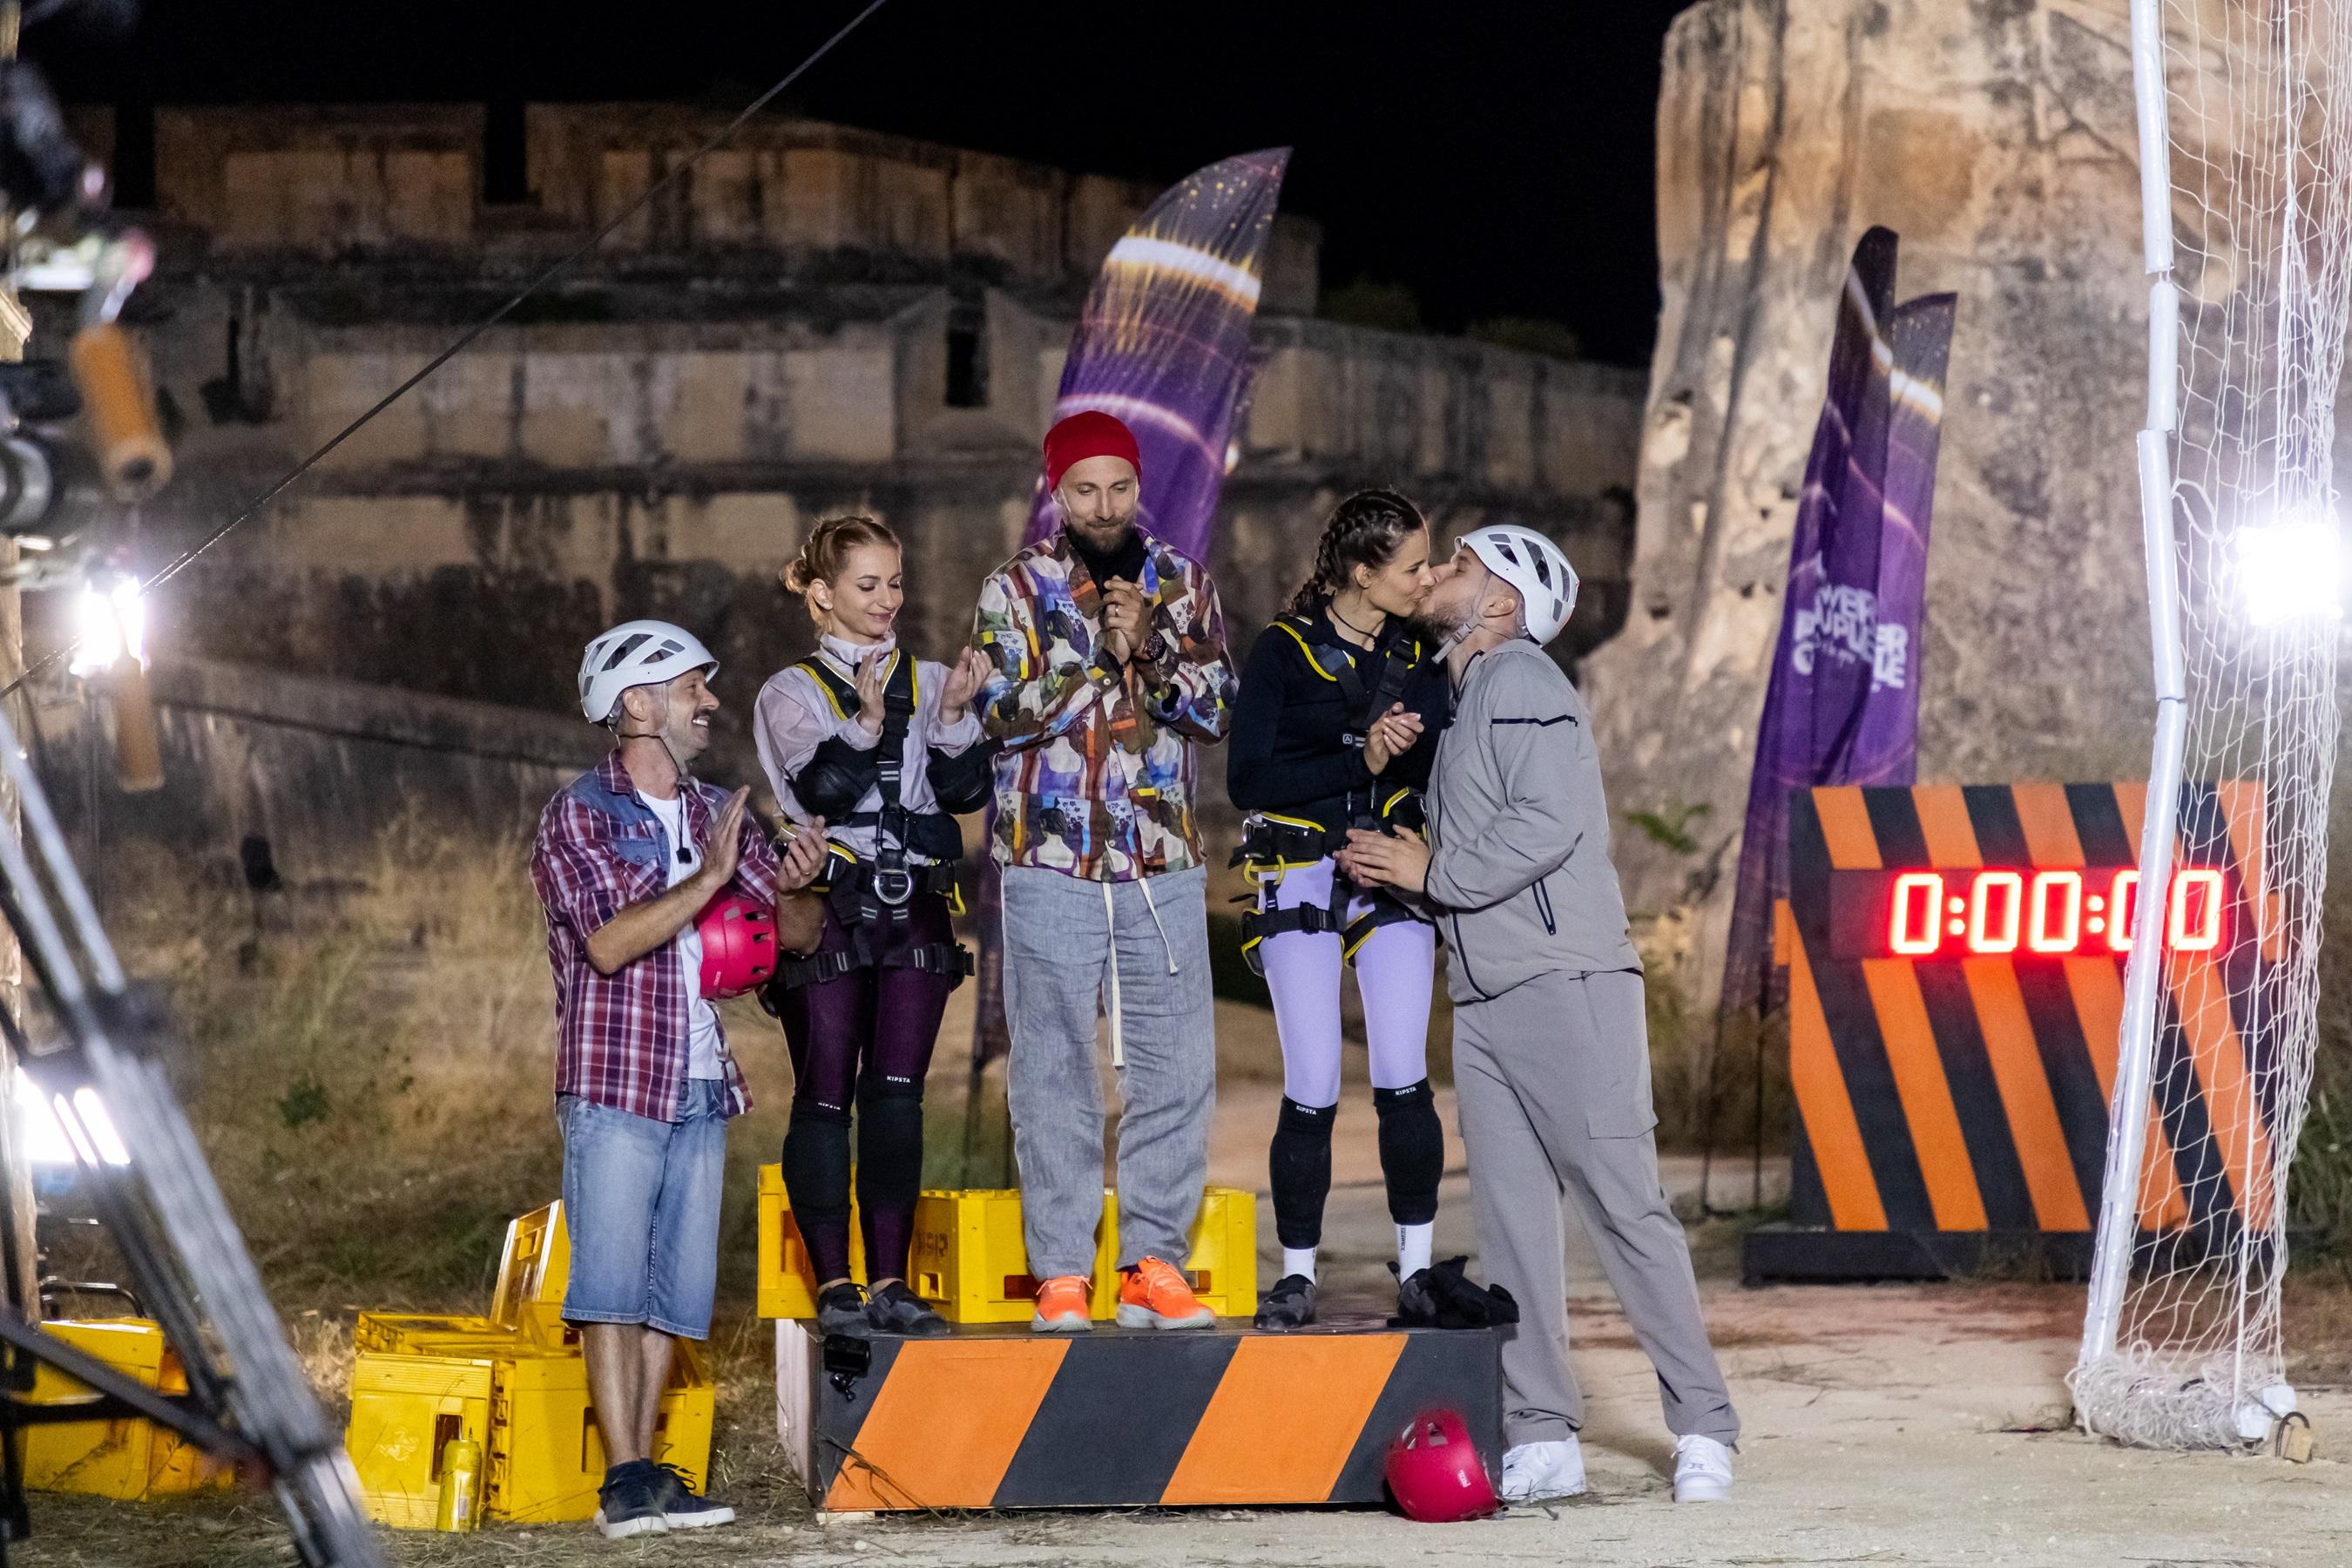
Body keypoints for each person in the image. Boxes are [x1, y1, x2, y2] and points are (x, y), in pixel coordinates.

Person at [1336, 527, 1740, 1505]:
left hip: (1565, 984)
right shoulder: (1466, 699)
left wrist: (1433, 869)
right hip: (1487, 997)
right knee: (1515, 1224)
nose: (1442, 573)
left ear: (1504, 604)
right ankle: (1543, 1431)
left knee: (1625, 1206)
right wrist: (1406, 855)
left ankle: (1705, 1429)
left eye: (1464, 566)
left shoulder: (1520, 679)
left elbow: (1548, 822)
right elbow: (1488, 833)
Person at [531, 619, 828, 1539]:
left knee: (672, 1290)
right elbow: (609, 943)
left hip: (700, 1078)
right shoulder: (580, 813)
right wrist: (709, 879)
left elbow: (799, 940)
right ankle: (623, 1481)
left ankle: (654, 1475)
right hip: (616, 1076)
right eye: (692, 686)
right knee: (612, 1284)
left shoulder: (712, 811)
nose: (710, 701)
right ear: (636, 703)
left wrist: (800, 885)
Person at [970, 409, 1238, 1333]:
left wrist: (1152, 649)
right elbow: (998, 714)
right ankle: (1060, 1272)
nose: (1104, 505)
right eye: (1085, 489)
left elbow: (1215, 712)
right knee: (1053, 1068)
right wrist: (1098, 657)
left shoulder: (1184, 583)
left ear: (1138, 486)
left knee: (1176, 1066)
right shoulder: (1016, 588)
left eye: (1119, 487)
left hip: (1159, 858)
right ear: (1058, 491)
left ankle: (1153, 1263)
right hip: (1049, 860)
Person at [754, 515, 996, 1338]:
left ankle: (891, 1279)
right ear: (822, 595)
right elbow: (819, 790)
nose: (887, 599)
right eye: (867, 585)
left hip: (915, 906)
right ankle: (834, 1284)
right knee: (824, 1094)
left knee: (897, 1096)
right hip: (830, 905)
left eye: (895, 582)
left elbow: (966, 796)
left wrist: (954, 716)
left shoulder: (931, 679)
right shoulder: (788, 692)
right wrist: (863, 724)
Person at [1226, 487, 1450, 1329]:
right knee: (1313, 1080)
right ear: (1362, 573)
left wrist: (1407, 796)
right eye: (1413, 567)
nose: (1426, 580)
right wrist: (1362, 758)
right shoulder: (1283, 652)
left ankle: (1419, 1271)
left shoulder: (1422, 656)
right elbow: (1249, 779)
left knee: (1403, 1074)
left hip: (1388, 876)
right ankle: (1296, 1276)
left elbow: (1437, 771)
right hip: (1298, 874)